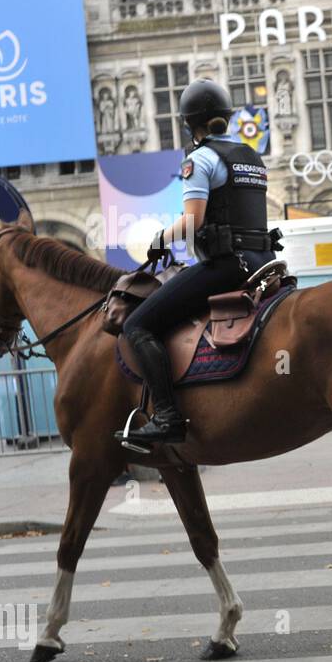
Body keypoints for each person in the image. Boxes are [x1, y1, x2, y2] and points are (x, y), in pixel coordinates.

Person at [116, 79, 278, 445]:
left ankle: (168, 417)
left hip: (227, 265)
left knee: (138, 325)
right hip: (262, 261)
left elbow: (194, 221)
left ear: (190, 123)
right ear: (226, 117)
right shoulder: (251, 155)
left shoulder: (199, 160)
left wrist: (159, 238)